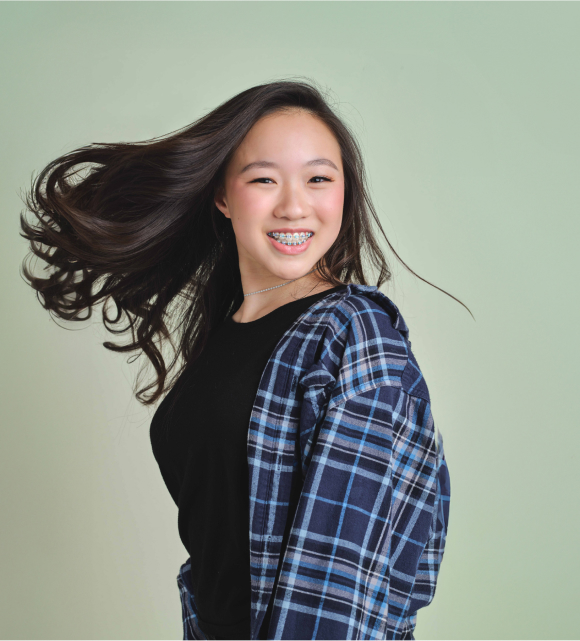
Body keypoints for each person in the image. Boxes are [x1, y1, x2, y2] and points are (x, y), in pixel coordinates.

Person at [20, 79, 465, 640]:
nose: (294, 205)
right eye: (264, 179)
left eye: (319, 179)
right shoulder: (223, 334)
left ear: (344, 194)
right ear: (224, 196)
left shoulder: (355, 338)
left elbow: (341, 586)